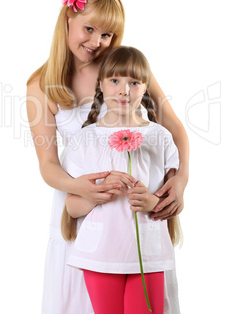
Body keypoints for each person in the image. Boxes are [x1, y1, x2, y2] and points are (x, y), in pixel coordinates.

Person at [26, 0, 189, 313]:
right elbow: (48, 164)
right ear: (67, 19)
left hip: (134, 216)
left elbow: (171, 127)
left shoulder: (121, 71)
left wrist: (181, 180)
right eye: (89, 28)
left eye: (107, 35)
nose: (96, 42)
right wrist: (80, 188)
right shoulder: (40, 87)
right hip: (84, 211)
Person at [61, 46, 182, 314]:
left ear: (146, 86)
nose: (123, 90)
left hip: (147, 254)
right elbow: (71, 207)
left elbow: (172, 196)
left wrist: (152, 201)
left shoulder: (160, 137)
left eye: (134, 83)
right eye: (115, 80)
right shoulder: (85, 139)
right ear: (101, 84)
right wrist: (98, 192)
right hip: (100, 254)